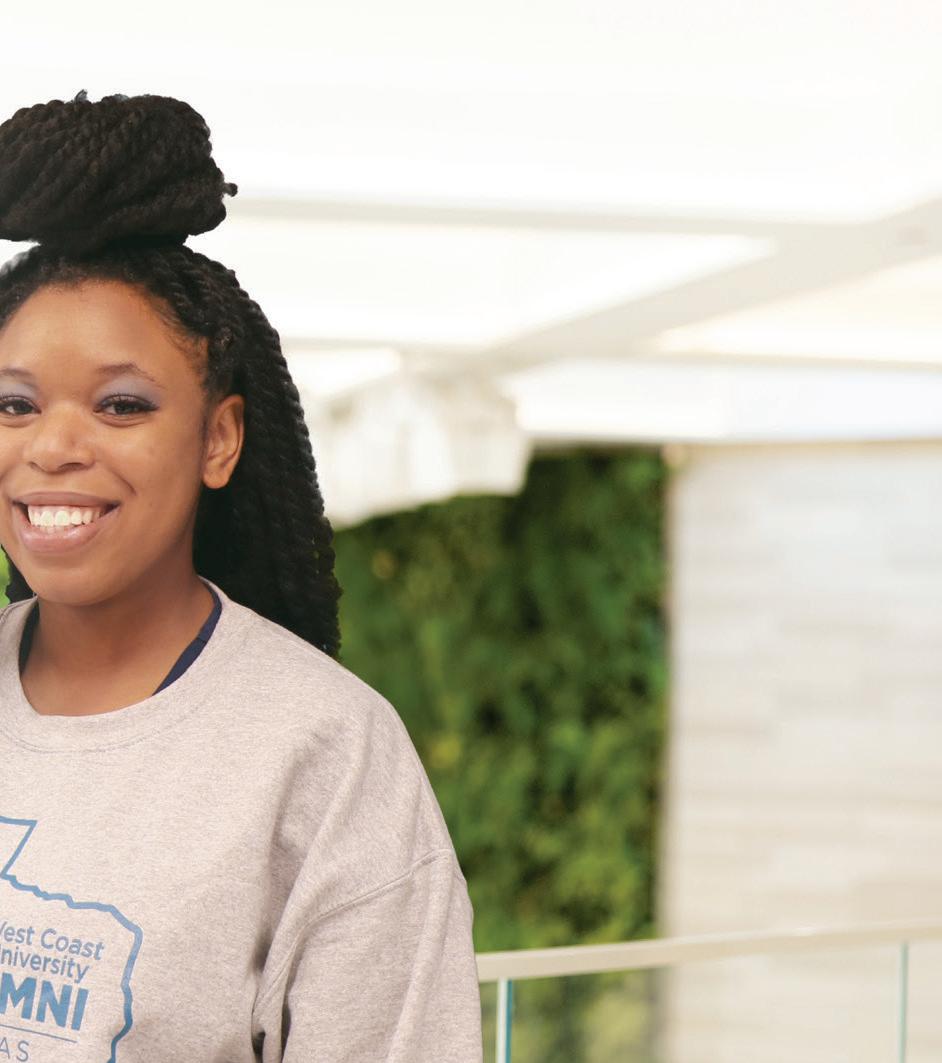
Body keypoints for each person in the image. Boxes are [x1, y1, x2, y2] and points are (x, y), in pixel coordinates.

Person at [0, 90, 484, 1062]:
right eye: (14, 404)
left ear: (219, 438)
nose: (52, 446)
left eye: (122, 405)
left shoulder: (328, 753)